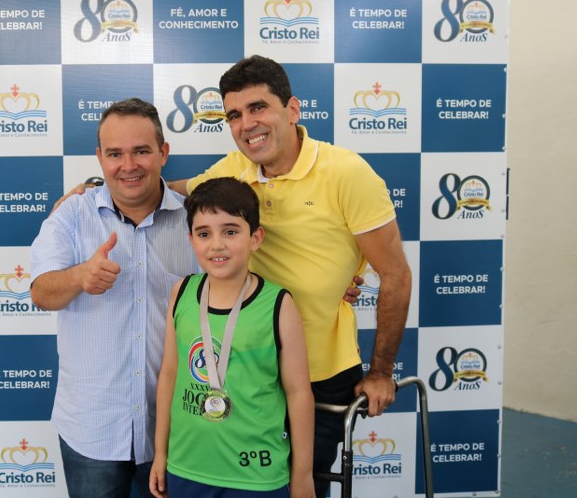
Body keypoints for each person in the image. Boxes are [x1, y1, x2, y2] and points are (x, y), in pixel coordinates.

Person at [169, 55, 412, 496]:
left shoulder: (347, 173)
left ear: (293, 109)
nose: (247, 124)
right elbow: (170, 192)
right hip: (248, 371)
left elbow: (395, 274)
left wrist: (381, 371)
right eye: (234, 115)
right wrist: (90, 192)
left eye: (258, 107)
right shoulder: (233, 169)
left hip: (320, 376)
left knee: (306, 486)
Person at [29, 98, 202, 498]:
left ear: (163, 152)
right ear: (99, 158)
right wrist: (79, 276)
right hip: (93, 429)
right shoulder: (71, 215)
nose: (128, 165)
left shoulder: (197, 222)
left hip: (175, 428)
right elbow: (40, 292)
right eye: (115, 154)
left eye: (141, 151)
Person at [150, 177, 315, 498]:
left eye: (230, 231)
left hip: (256, 475)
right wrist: (161, 453)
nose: (217, 245)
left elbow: (298, 393)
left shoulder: (278, 304)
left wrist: (303, 475)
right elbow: (169, 374)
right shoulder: (181, 292)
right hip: (187, 467)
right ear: (191, 240)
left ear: (255, 238)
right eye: (204, 234)